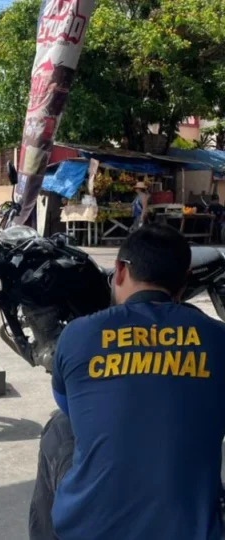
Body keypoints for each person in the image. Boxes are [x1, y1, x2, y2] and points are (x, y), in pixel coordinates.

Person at [30, 224, 225, 540]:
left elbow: (70, 407)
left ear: (120, 271)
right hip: (193, 529)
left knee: (60, 426)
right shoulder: (218, 338)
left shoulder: (78, 333)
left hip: (88, 529)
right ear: (185, 280)